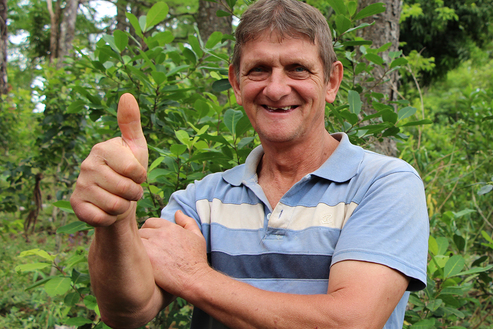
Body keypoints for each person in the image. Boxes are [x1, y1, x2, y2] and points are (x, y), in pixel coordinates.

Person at [70, 0, 429, 328]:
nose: (275, 88)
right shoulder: (201, 199)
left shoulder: (384, 183)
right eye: (258, 69)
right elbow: (126, 312)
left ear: (332, 82)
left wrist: (195, 275)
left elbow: (350, 322)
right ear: (236, 83)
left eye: (297, 69)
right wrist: (116, 221)